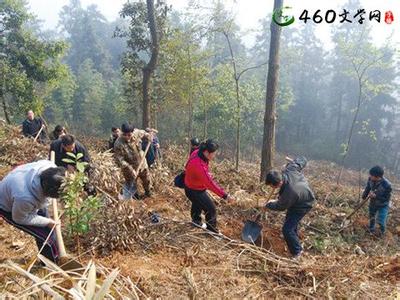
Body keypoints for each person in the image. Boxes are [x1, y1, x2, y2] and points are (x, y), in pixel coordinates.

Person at [0, 160, 66, 263]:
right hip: (10, 207)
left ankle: (55, 257)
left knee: (50, 231)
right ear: (48, 192)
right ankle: (51, 265)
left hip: (28, 198)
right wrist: (47, 222)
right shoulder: (24, 197)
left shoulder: (49, 166)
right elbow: (19, 218)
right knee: (47, 238)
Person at [262, 157, 315, 259]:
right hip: (298, 198)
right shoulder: (290, 169)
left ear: (279, 183)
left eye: (272, 187)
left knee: (287, 229)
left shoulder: (289, 193)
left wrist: (268, 205)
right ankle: (293, 238)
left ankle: (297, 252)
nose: (272, 189)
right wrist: (293, 161)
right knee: (290, 224)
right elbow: (302, 160)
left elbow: (280, 206)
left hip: (303, 204)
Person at [184, 139, 234, 233]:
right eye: (213, 154)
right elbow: (210, 184)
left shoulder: (198, 152)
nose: (214, 156)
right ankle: (211, 231)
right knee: (211, 209)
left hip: (191, 185)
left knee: (197, 203)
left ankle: (196, 221)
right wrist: (225, 196)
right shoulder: (199, 166)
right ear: (207, 152)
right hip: (194, 190)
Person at [114, 123, 152, 200]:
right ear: (122, 133)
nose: (127, 137)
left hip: (142, 164)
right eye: (125, 135)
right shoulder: (118, 144)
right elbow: (120, 160)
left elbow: (144, 133)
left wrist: (149, 136)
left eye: (129, 135)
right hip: (128, 168)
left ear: (132, 132)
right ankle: (135, 197)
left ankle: (148, 193)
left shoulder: (136, 133)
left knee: (147, 180)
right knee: (131, 183)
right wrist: (131, 169)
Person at [362, 166, 392, 236]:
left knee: (381, 220)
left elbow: (387, 198)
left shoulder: (387, 185)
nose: (370, 176)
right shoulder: (370, 179)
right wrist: (364, 195)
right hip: (373, 203)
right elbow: (368, 187)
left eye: (371, 175)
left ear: (377, 177)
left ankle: (381, 232)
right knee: (371, 216)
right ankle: (371, 229)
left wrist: (376, 196)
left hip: (383, 205)